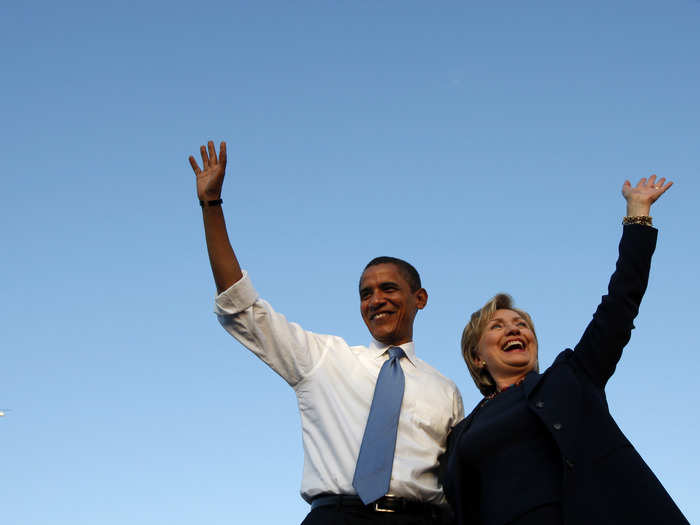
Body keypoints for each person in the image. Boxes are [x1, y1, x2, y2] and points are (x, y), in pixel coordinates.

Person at [188, 140, 464, 525]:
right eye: (366, 293)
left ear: (420, 298)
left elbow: (459, 480)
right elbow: (242, 308)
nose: (376, 300)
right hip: (336, 516)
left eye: (389, 289)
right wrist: (211, 206)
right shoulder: (323, 358)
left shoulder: (446, 391)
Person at [441, 175, 689, 525]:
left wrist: (637, 216)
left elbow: (619, 306)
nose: (514, 328)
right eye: (497, 326)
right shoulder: (460, 433)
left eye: (521, 324)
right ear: (477, 356)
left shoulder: (571, 378)